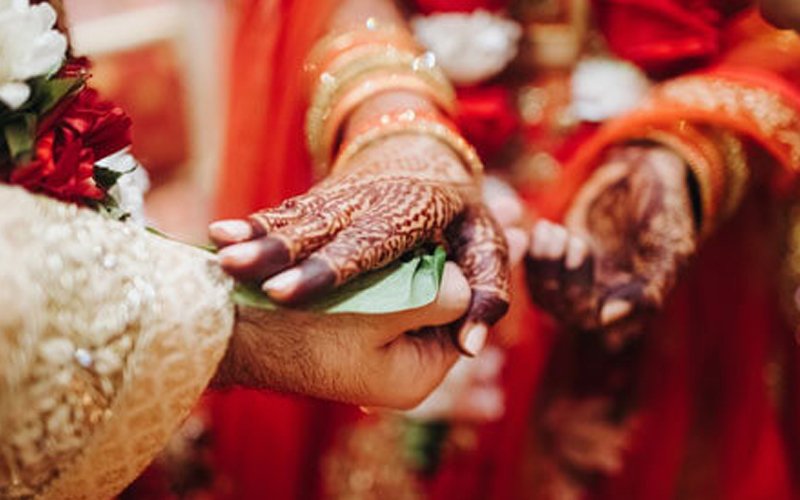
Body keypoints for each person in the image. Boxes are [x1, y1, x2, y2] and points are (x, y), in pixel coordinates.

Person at [216, 0, 800, 499]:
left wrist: (686, 151)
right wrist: (395, 126)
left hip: (672, 256)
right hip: (428, 225)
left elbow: (775, 28)